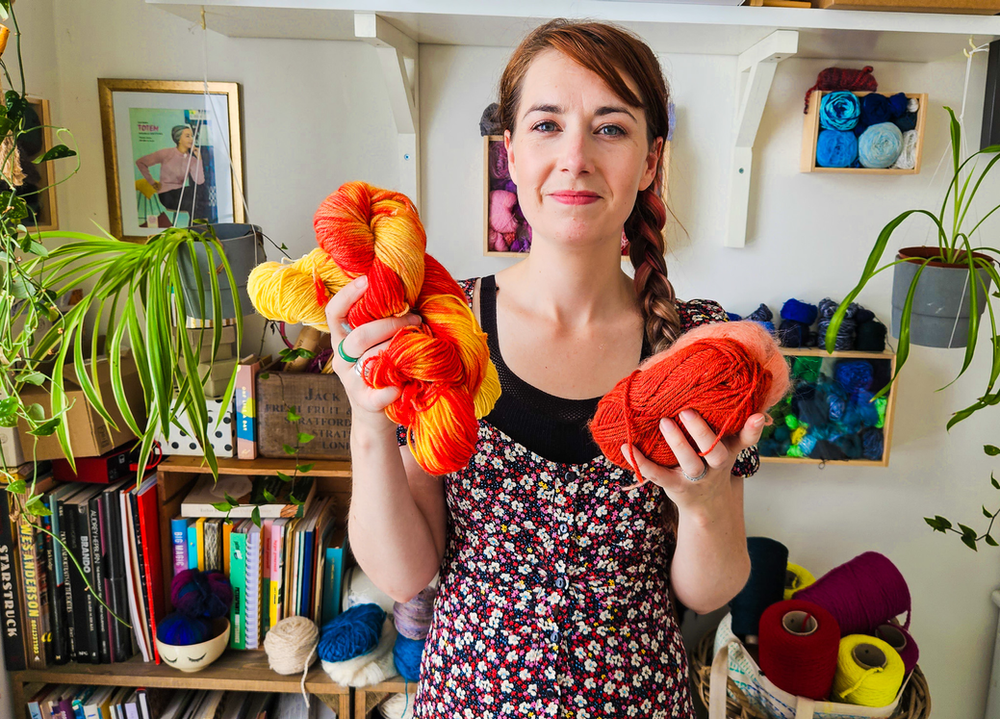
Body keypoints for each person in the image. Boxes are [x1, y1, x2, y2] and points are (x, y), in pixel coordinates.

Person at [326, 19, 763, 718]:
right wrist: (367, 420)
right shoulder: (445, 324)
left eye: (610, 128)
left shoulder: (697, 342)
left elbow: (709, 591)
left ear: (651, 159)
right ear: (510, 151)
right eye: (547, 125)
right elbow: (407, 569)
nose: (576, 157)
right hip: (469, 700)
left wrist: (706, 504)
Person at [135, 124, 208, 225]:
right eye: (187, 136)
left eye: (192, 136)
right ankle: (196, 231)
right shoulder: (166, 153)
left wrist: (199, 159)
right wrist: (152, 182)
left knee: (200, 193)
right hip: (167, 196)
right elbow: (141, 162)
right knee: (196, 199)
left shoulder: (192, 160)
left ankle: (195, 230)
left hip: (180, 194)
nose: (191, 139)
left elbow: (199, 181)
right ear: (179, 139)